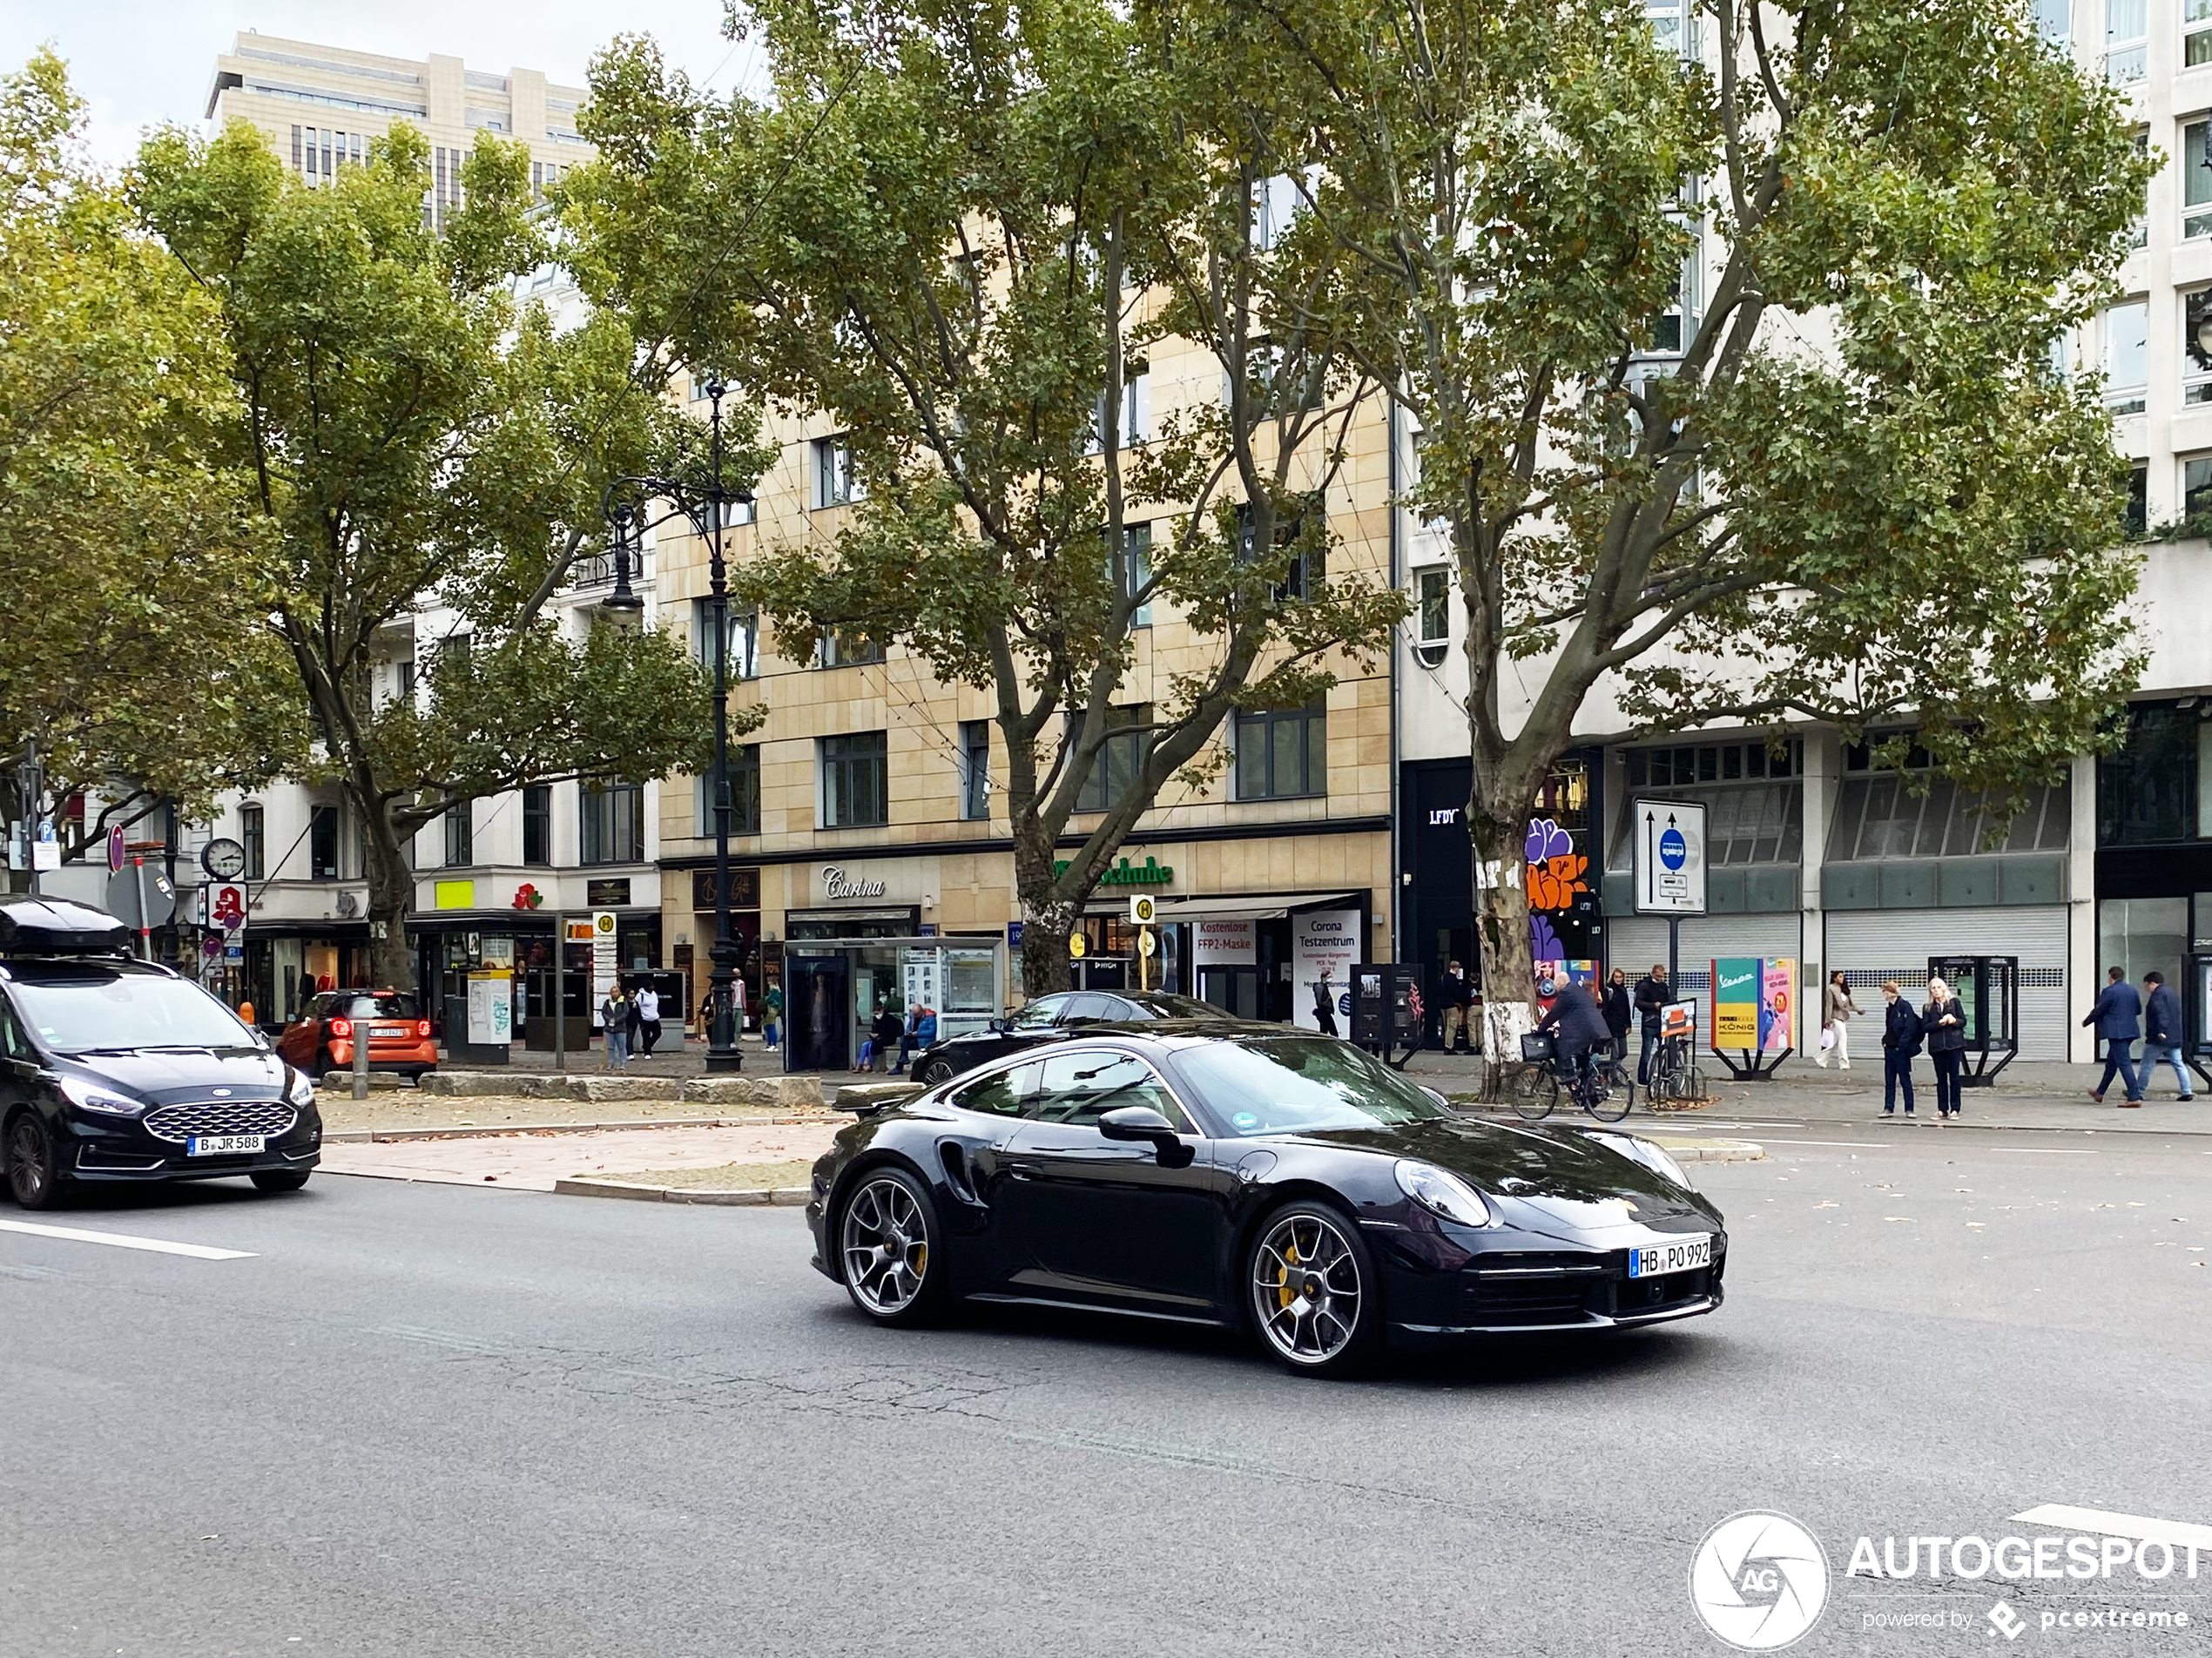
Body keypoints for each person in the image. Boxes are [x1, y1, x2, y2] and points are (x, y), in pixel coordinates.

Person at [1537, 980, 1614, 1094]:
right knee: (1583, 1061)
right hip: (1598, 1030)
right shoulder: (1581, 991)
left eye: (1556, 988)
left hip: (1584, 1032)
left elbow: (1554, 1013)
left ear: (1559, 986)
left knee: (1560, 1044)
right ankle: (1586, 1095)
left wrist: (1541, 1029)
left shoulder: (1566, 993)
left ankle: (1570, 1078)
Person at [2083, 965, 2144, 1107]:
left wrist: (2087, 1021)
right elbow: (2138, 1010)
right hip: (2130, 1031)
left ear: (2111, 977)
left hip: (2116, 1033)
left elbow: (2100, 1009)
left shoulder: (2109, 991)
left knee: (2124, 1063)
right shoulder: (2132, 990)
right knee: (2112, 1063)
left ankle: (2134, 1097)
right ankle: (2100, 1092)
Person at [2141, 971, 2195, 1102]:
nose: (2147, 988)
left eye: (2147, 985)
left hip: (2159, 1039)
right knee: (2179, 1064)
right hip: (2174, 1037)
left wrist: (2161, 1031)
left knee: (2147, 1064)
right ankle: (2187, 1091)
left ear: (2153, 983)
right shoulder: (2172, 994)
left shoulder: (2157, 995)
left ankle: (2138, 1091)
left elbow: (2161, 1014)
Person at [1921, 976, 1966, 1120]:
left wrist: (1954, 1021)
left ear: (1944, 988)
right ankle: (1942, 1109)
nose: (1936, 991)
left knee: (1954, 1077)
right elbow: (1925, 1027)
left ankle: (1955, 1108)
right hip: (1938, 1046)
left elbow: (1963, 1021)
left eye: (1938, 987)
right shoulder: (1928, 1007)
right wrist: (1939, 1023)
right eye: (1933, 988)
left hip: (1954, 1044)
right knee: (1941, 1078)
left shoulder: (1954, 1003)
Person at [1878, 981, 1920, 1119]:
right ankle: (1888, 1107)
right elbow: (1890, 1028)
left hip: (1900, 1049)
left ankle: (1909, 1108)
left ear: (1889, 992)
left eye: (1884, 991)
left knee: (1905, 1079)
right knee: (1889, 1080)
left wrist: (1902, 1045)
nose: (1883, 994)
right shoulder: (1890, 1008)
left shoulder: (1904, 1006)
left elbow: (1910, 1027)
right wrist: (1885, 1040)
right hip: (1889, 1048)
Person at [1633, 964, 1670, 1085]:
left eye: (1662, 976)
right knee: (1646, 1053)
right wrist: (1653, 1005)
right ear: (1653, 973)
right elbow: (1638, 1003)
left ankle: (1663, 1074)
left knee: (1665, 1050)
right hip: (1649, 1023)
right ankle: (1642, 1079)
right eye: (1658, 976)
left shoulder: (1664, 986)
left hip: (1662, 1023)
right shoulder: (1645, 986)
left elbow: (1669, 1000)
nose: (1660, 978)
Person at [1816, 970, 1860, 1070]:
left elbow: (1850, 1004)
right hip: (1835, 1018)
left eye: (1842, 977)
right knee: (1843, 1038)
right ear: (1835, 978)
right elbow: (1829, 1005)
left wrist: (1858, 1010)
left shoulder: (1844, 990)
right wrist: (1828, 1020)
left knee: (1836, 1041)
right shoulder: (1831, 990)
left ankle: (1821, 1059)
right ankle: (1843, 1062)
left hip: (1843, 1017)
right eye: (1840, 977)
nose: (1842, 978)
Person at [1437, 960, 1475, 1053]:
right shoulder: (1453, 980)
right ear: (1457, 968)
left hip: (1443, 1005)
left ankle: (1449, 1044)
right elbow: (1456, 993)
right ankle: (1448, 1047)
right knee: (1452, 1026)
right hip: (1452, 1005)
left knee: (1447, 1026)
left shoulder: (1443, 978)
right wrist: (1461, 1001)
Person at [892, 1003, 938, 1075]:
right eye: (914, 1014)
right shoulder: (913, 1017)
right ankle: (904, 1058)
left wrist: (918, 1033)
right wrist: (909, 1032)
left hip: (923, 1041)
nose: (915, 1016)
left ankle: (900, 1066)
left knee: (904, 1046)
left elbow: (932, 1032)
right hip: (914, 1038)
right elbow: (908, 1027)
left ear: (921, 1011)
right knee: (904, 1039)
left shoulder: (930, 1018)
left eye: (917, 1014)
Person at [1601, 967, 1632, 1067]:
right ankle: (1613, 1076)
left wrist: (1629, 1025)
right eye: (1616, 977)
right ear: (1612, 978)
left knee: (1623, 1052)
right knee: (1616, 1052)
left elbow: (1627, 1008)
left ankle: (1610, 1069)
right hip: (1612, 1026)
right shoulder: (1608, 990)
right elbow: (1604, 1009)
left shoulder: (1623, 990)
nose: (1618, 979)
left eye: (1620, 977)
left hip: (1621, 1026)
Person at [600, 984, 631, 1070]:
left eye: (616, 991)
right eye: (613, 992)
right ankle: (611, 1064)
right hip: (609, 1028)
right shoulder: (607, 1002)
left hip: (620, 1027)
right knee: (610, 1047)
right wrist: (609, 1020)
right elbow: (604, 1013)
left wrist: (616, 1020)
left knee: (621, 1046)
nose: (614, 993)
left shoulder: (623, 1002)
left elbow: (625, 1013)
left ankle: (623, 1063)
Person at [868, 1000, 902, 1074]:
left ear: (881, 1011)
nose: (877, 1016)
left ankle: (870, 1065)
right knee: (865, 1045)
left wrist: (878, 1035)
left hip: (889, 1038)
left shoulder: (890, 1019)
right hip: (880, 1037)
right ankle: (862, 1064)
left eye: (877, 1013)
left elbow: (889, 1032)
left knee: (873, 1044)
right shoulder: (878, 1020)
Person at [634, 981, 662, 1057]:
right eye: (650, 986)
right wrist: (639, 1019)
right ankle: (647, 1052)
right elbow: (636, 1007)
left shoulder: (654, 994)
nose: (652, 988)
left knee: (658, 1033)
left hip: (654, 1017)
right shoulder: (640, 995)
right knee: (646, 1036)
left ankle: (647, 1045)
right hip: (645, 1018)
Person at [762, 978, 784, 1051]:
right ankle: (770, 1044)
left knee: (771, 1026)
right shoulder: (776, 991)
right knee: (769, 1026)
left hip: (772, 1010)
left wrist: (766, 999)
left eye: (770, 982)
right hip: (772, 1009)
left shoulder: (774, 991)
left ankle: (773, 1044)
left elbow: (769, 999)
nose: (768, 984)